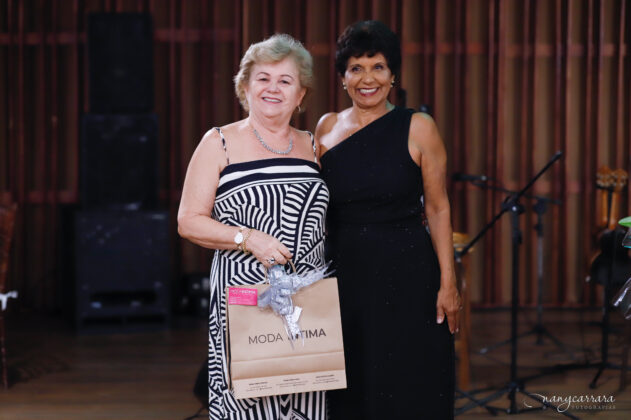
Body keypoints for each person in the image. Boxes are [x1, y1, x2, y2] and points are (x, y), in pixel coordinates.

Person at [178, 34, 328, 420]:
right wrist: (248, 238)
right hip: (244, 298)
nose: (273, 88)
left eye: (285, 80)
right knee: (247, 404)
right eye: (263, 78)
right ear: (245, 86)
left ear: (301, 93)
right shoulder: (219, 142)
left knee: (307, 401)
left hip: (307, 300)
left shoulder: (314, 145)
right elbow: (188, 221)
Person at [315, 20, 460, 419]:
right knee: (351, 386)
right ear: (343, 76)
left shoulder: (419, 127)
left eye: (378, 67)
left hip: (408, 275)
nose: (368, 79)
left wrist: (448, 282)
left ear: (393, 74)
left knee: (409, 381)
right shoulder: (326, 127)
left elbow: (438, 208)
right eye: (356, 68)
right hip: (343, 276)